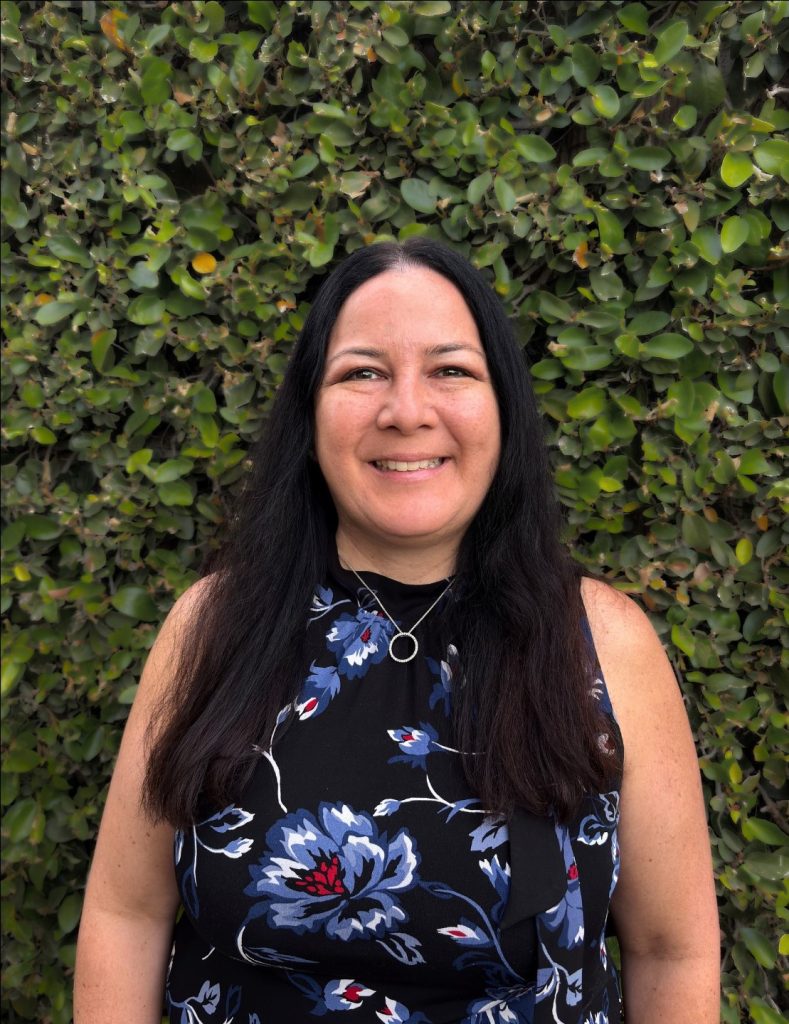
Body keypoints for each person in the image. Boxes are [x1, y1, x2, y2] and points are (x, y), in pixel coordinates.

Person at [74, 239, 720, 1023]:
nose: (406, 411)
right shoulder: (212, 627)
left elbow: (670, 950)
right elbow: (126, 915)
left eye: (450, 370)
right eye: (362, 373)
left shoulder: (602, 642)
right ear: (309, 411)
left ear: (503, 408)